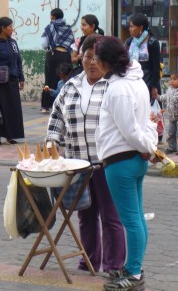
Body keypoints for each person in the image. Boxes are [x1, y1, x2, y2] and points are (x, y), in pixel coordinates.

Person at [45, 35, 126, 276]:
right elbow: (56, 117)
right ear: (81, 57)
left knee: (111, 216)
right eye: (88, 57)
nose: (92, 62)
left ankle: (114, 265)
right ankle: (88, 261)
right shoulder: (71, 86)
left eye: (97, 57)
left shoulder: (113, 86)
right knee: (85, 215)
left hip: (106, 164)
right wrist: (52, 141)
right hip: (77, 162)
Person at [94, 36, 158, 290]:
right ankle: (134, 267)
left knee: (130, 220)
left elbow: (130, 130)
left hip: (121, 160)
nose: (94, 63)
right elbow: (144, 123)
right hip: (132, 158)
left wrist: (147, 148)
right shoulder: (136, 82)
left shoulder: (119, 88)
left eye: (96, 58)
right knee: (136, 218)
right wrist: (147, 148)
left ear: (104, 61)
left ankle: (133, 274)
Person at [0, 17, 25, 146]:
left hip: (12, 82)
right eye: (10, 27)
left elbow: (18, 61)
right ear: (3, 28)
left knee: (12, 109)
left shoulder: (13, 43)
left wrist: (21, 78)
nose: (12, 29)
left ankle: (10, 136)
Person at [41, 8, 74, 113]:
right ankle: (64, 102)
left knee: (49, 79)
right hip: (65, 55)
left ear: (53, 17)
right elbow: (71, 43)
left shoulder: (49, 27)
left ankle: (46, 106)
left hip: (53, 55)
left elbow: (44, 44)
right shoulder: (68, 28)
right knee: (65, 78)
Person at [125, 13, 161, 101]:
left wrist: (154, 86)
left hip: (147, 81)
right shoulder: (130, 42)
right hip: (132, 80)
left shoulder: (152, 42)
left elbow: (156, 66)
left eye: (132, 26)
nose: (130, 29)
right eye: (129, 26)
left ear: (140, 28)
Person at [157, 71, 178, 154]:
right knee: (171, 132)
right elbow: (165, 97)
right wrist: (158, 97)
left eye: (174, 79)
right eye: (170, 79)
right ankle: (172, 147)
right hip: (171, 115)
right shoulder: (169, 90)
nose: (171, 81)